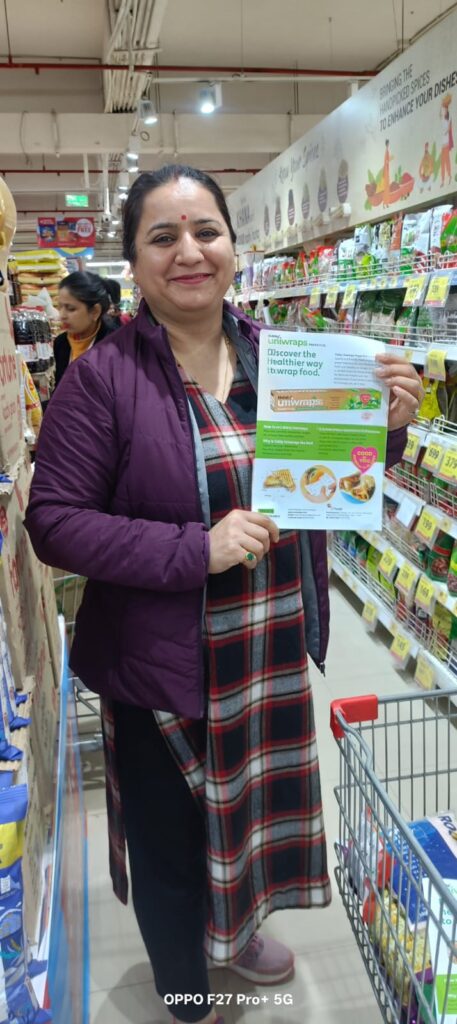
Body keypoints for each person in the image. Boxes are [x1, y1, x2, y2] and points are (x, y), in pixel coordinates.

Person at [25, 165, 423, 1024]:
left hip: (266, 647)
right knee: (172, 845)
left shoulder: (286, 359)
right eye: (162, 237)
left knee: (249, 816)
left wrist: (386, 432)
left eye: (205, 231)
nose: (188, 252)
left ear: (233, 249)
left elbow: (331, 484)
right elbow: (53, 522)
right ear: (135, 262)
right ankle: (187, 989)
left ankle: (235, 935)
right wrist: (194, 549)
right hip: (162, 666)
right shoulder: (104, 380)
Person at [54, 271, 117, 385]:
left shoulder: (116, 347)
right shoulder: (61, 343)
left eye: (71, 308)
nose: (62, 315)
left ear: (95, 311)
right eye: (60, 307)